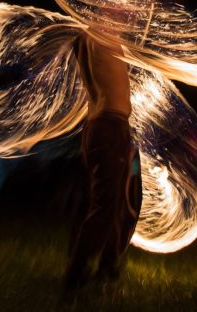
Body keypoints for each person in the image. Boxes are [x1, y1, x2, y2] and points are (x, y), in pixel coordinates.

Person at [63, 30, 142, 290]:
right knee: (106, 205)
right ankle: (76, 274)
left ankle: (107, 267)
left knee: (116, 203)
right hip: (110, 126)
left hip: (101, 126)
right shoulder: (103, 33)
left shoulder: (87, 38)